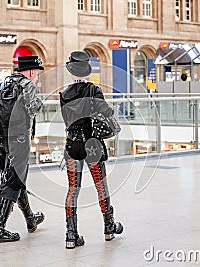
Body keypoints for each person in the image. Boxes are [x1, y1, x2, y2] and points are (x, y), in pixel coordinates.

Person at [0, 56, 45, 244]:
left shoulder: (1, 84)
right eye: (37, 73)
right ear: (31, 71)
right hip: (18, 140)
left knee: (14, 178)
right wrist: (39, 103)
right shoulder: (28, 86)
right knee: (11, 181)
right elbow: (32, 109)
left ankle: (30, 219)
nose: (37, 77)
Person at [60, 51, 123, 249]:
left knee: (73, 189)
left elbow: (67, 121)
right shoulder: (94, 91)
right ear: (87, 70)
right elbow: (108, 112)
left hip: (72, 146)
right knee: (100, 187)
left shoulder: (64, 94)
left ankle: (71, 234)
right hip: (92, 145)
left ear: (71, 72)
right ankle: (109, 228)